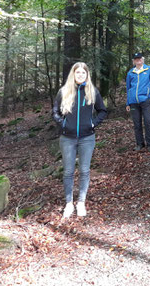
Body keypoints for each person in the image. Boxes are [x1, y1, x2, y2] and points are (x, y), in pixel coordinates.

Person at [52, 62, 107, 218]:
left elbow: (102, 111)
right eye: (78, 72)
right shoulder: (64, 91)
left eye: (84, 72)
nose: (81, 75)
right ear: (73, 74)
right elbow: (55, 112)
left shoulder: (92, 91)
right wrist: (63, 124)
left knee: (84, 171)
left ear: (87, 75)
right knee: (68, 171)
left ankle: (81, 202)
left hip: (87, 138)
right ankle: (69, 203)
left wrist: (93, 123)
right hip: (67, 139)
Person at [126, 52, 150, 153]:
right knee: (137, 124)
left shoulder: (149, 69)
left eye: (140, 58)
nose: (138, 60)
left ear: (143, 59)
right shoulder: (130, 72)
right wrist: (128, 102)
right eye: (136, 59)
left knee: (148, 122)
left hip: (145, 101)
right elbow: (128, 88)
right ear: (134, 61)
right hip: (133, 102)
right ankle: (140, 143)